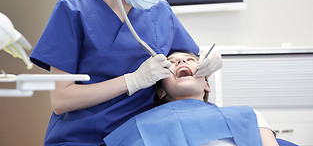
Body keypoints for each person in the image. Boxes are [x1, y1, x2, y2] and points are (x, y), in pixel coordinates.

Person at [30, 0, 222, 145]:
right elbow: (61, 100)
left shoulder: (160, 11)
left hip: (142, 136)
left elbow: (186, 58)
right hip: (81, 138)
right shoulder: (73, 10)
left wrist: (209, 58)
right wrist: (132, 81)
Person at [104, 52, 279, 146]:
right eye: (171, 62)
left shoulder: (249, 116)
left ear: (206, 85)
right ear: (161, 91)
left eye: (190, 60)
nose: (181, 62)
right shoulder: (139, 127)